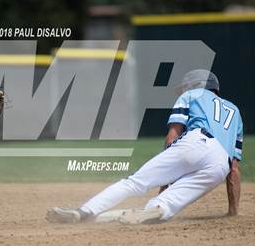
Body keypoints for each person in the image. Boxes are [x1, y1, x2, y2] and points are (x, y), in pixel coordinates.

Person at [47, 70, 243, 224]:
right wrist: (232, 212)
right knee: (166, 205)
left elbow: (173, 134)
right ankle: (156, 209)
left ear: (194, 85)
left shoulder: (192, 94)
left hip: (196, 142)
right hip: (220, 165)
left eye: (185, 87)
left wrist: (166, 177)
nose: (183, 90)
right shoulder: (235, 111)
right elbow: (234, 169)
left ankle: (84, 212)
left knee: (134, 183)